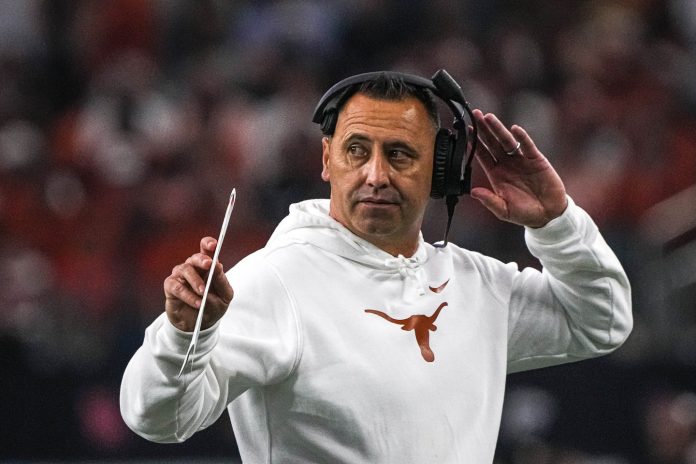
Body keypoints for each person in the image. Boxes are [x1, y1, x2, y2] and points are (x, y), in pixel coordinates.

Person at [120, 71, 632, 463]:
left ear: (440, 168)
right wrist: (183, 335)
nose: (375, 175)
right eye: (357, 150)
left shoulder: (478, 286)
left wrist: (557, 225)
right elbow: (158, 418)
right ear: (326, 159)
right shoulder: (275, 281)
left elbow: (602, 321)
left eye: (401, 154)